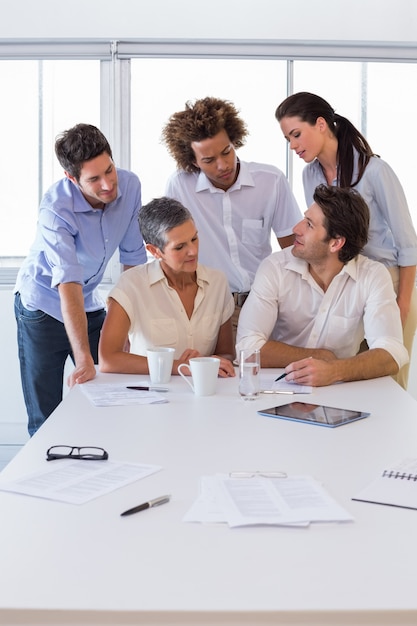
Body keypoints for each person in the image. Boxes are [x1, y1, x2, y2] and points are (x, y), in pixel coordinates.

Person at [275, 91, 417, 389]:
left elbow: (408, 243)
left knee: (387, 380)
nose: (293, 146)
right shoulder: (309, 176)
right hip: (346, 286)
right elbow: (322, 235)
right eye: (288, 139)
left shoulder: (375, 171)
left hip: (388, 284)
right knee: (343, 375)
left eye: (297, 134)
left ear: (322, 124)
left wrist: (402, 301)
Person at [14, 123, 146, 435]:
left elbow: (133, 260)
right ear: (72, 179)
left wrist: (127, 327)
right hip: (42, 307)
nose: (107, 185)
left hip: (87, 301)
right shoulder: (56, 208)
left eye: (109, 170)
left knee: (115, 391)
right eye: (94, 179)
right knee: (45, 414)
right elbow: (68, 282)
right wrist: (84, 357)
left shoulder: (130, 186)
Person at [236, 184, 409, 387]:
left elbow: (392, 352)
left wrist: (334, 371)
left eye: (309, 225)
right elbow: (246, 348)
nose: (296, 229)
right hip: (278, 386)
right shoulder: (275, 268)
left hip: (339, 388)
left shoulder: (372, 276)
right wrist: (321, 356)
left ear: (336, 243)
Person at [162, 96, 302, 336]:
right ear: (192, 162)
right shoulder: (180, 186)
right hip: (210, 307)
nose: (222, 165)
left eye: (227, 152)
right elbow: (170, 255)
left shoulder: (271, 181)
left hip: (265, 303)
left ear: (235, 141)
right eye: (208, 160)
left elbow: (295, 250)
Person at [98, 197, 235, 378]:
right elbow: (108, 360)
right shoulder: (131, 285)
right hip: (150, 396)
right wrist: (179, 366)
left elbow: (226, 354)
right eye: (179, 247)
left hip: (204, 393)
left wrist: (207, 364)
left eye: (194, 238)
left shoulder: (217, 282)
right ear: (154, 251)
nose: (193, 251)